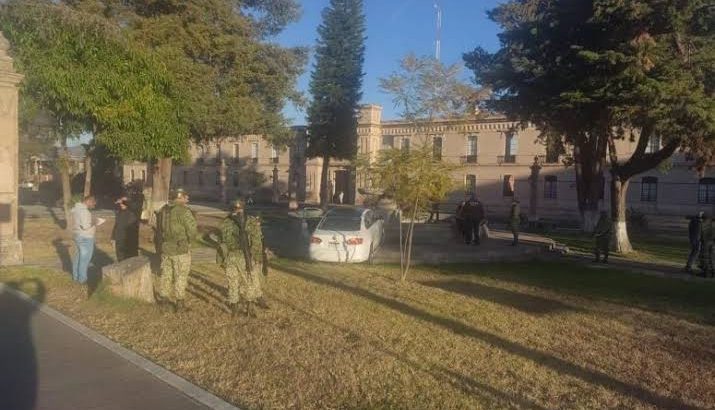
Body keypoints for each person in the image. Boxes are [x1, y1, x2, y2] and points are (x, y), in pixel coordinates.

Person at [217, 199, 269, 317]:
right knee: (248, 282)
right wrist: (256, 257)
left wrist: (222, 258)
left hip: (230, 256)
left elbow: (222, 240)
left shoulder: (225, 222)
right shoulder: (250, 221)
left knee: (232, 282)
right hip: (243, 256)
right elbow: (256, 241)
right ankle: (250, 307)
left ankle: (234, 308)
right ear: (244, 208)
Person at [156, 188, 197, 312]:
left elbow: (158, 229)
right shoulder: (184, 211)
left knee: (166, 274)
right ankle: (180, 304)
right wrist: (190, 241)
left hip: (166, 247)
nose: (187, 198)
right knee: (181, 276)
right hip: (180, 249)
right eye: (185, 196)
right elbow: (192, 230)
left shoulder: (163, 209)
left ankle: (163, 300)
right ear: (179, 197)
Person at [71, 196, 102, 284]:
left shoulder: (76, 208)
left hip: (78, 235)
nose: (94, 205)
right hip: (86, 237)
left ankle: (75, 277)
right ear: (88, 201)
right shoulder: (84, 211)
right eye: (93, 203)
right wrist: (95, 222)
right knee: (84, 260)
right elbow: (85, 226)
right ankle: (82, 280)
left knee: (78, 258)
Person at [111, 197, 139, 262]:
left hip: (128, 239)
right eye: (121, 203)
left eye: (123, 203)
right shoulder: (119, 213)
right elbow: (116, 225)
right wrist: (113, 237)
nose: (121, 204)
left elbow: (130, 204)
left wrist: (123, 201)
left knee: (129, 258)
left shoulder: (132, 212)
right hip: (119, 238)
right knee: (120, 257)